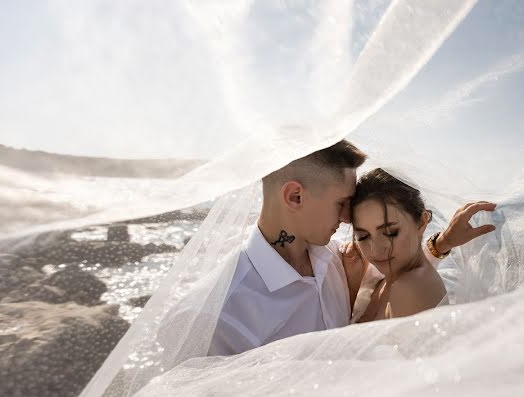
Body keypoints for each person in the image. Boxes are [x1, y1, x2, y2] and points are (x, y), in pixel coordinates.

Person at [207, 140, 495, 356]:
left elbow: (398, 270)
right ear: (295, 196)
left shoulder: (336, 258)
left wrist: (438, 243)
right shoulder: (225, 313)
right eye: (341, 202)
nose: (347, 217)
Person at [344, 168, 457, 323]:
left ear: (422, 222)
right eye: (362, 236)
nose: (375, 249)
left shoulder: (409, 289)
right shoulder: (386, 280)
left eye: (390, 232)